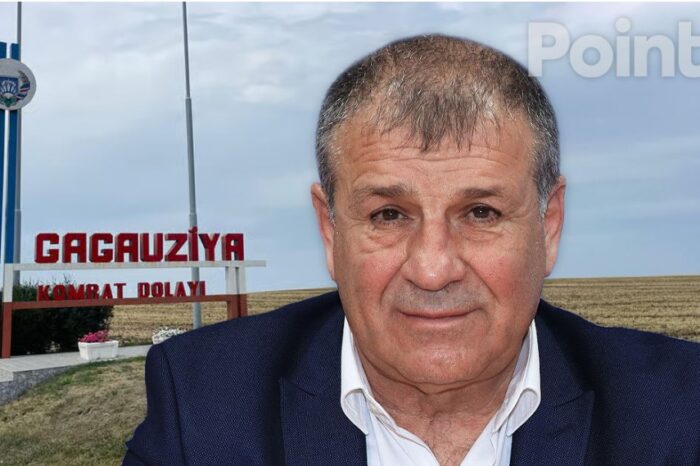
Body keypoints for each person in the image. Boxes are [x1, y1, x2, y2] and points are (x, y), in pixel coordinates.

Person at [123, 34, 700, 466]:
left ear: (549, 226)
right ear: (330, 230)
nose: (432, 268)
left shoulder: (680, 411)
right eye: (389, 215)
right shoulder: (203, 405)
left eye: (481, 213)